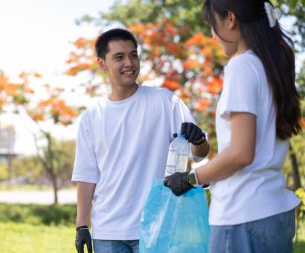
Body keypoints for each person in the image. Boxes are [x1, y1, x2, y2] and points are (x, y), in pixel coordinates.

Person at [164, 1, 302, 252]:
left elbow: (240, 153)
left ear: (230, 19)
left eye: (211, 24)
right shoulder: (271, 64)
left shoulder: (242, 65)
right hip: (275, 212)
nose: (212, 35)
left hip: (242, 216)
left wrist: (190, 178)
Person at [71, 28, 210, 253]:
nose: (129, 63)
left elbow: (200, 153)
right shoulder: (92, 117)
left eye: (133, 55)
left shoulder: (166, 102)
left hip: (157, 225)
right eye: (119, 57)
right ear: (102, 64)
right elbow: (87, 176)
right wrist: (81, 225)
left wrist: (199, 140)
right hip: (108, 232)